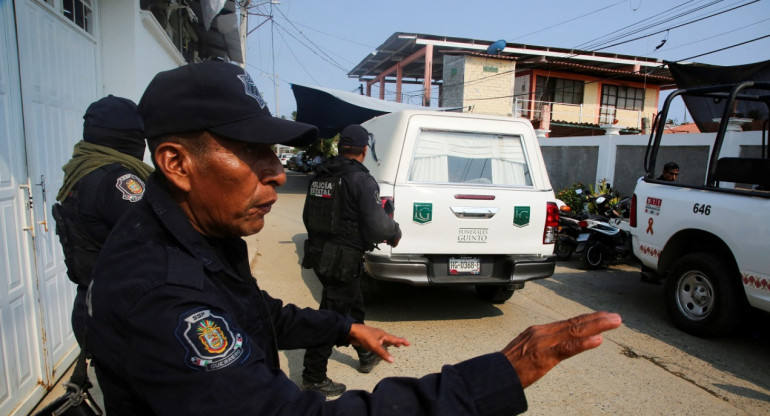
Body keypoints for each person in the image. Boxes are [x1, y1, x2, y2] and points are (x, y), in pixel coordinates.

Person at [85, 61, 622, 416]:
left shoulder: (194, 233)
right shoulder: (158, 290)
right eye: (252, 151)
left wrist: (344, 326)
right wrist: (497, 375)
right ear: (176, 163)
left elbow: (252, 312)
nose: (276, 172)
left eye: (275, 152)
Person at [300, 124, 402, 396]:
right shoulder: (361, 180)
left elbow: (308, 216)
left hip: (321, 255)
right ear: (364, 150)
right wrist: (394, 231)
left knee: (353, 304)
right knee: (331, 315)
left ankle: (366, 353)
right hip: (342, 259)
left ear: (342, 147)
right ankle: (313, 377)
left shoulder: (321, 174)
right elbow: (378, 226)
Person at [52, 94, 152, 347]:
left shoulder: (81, 169)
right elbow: (158, 239)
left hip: (92, 305)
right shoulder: (119, 181)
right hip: (123, 314)